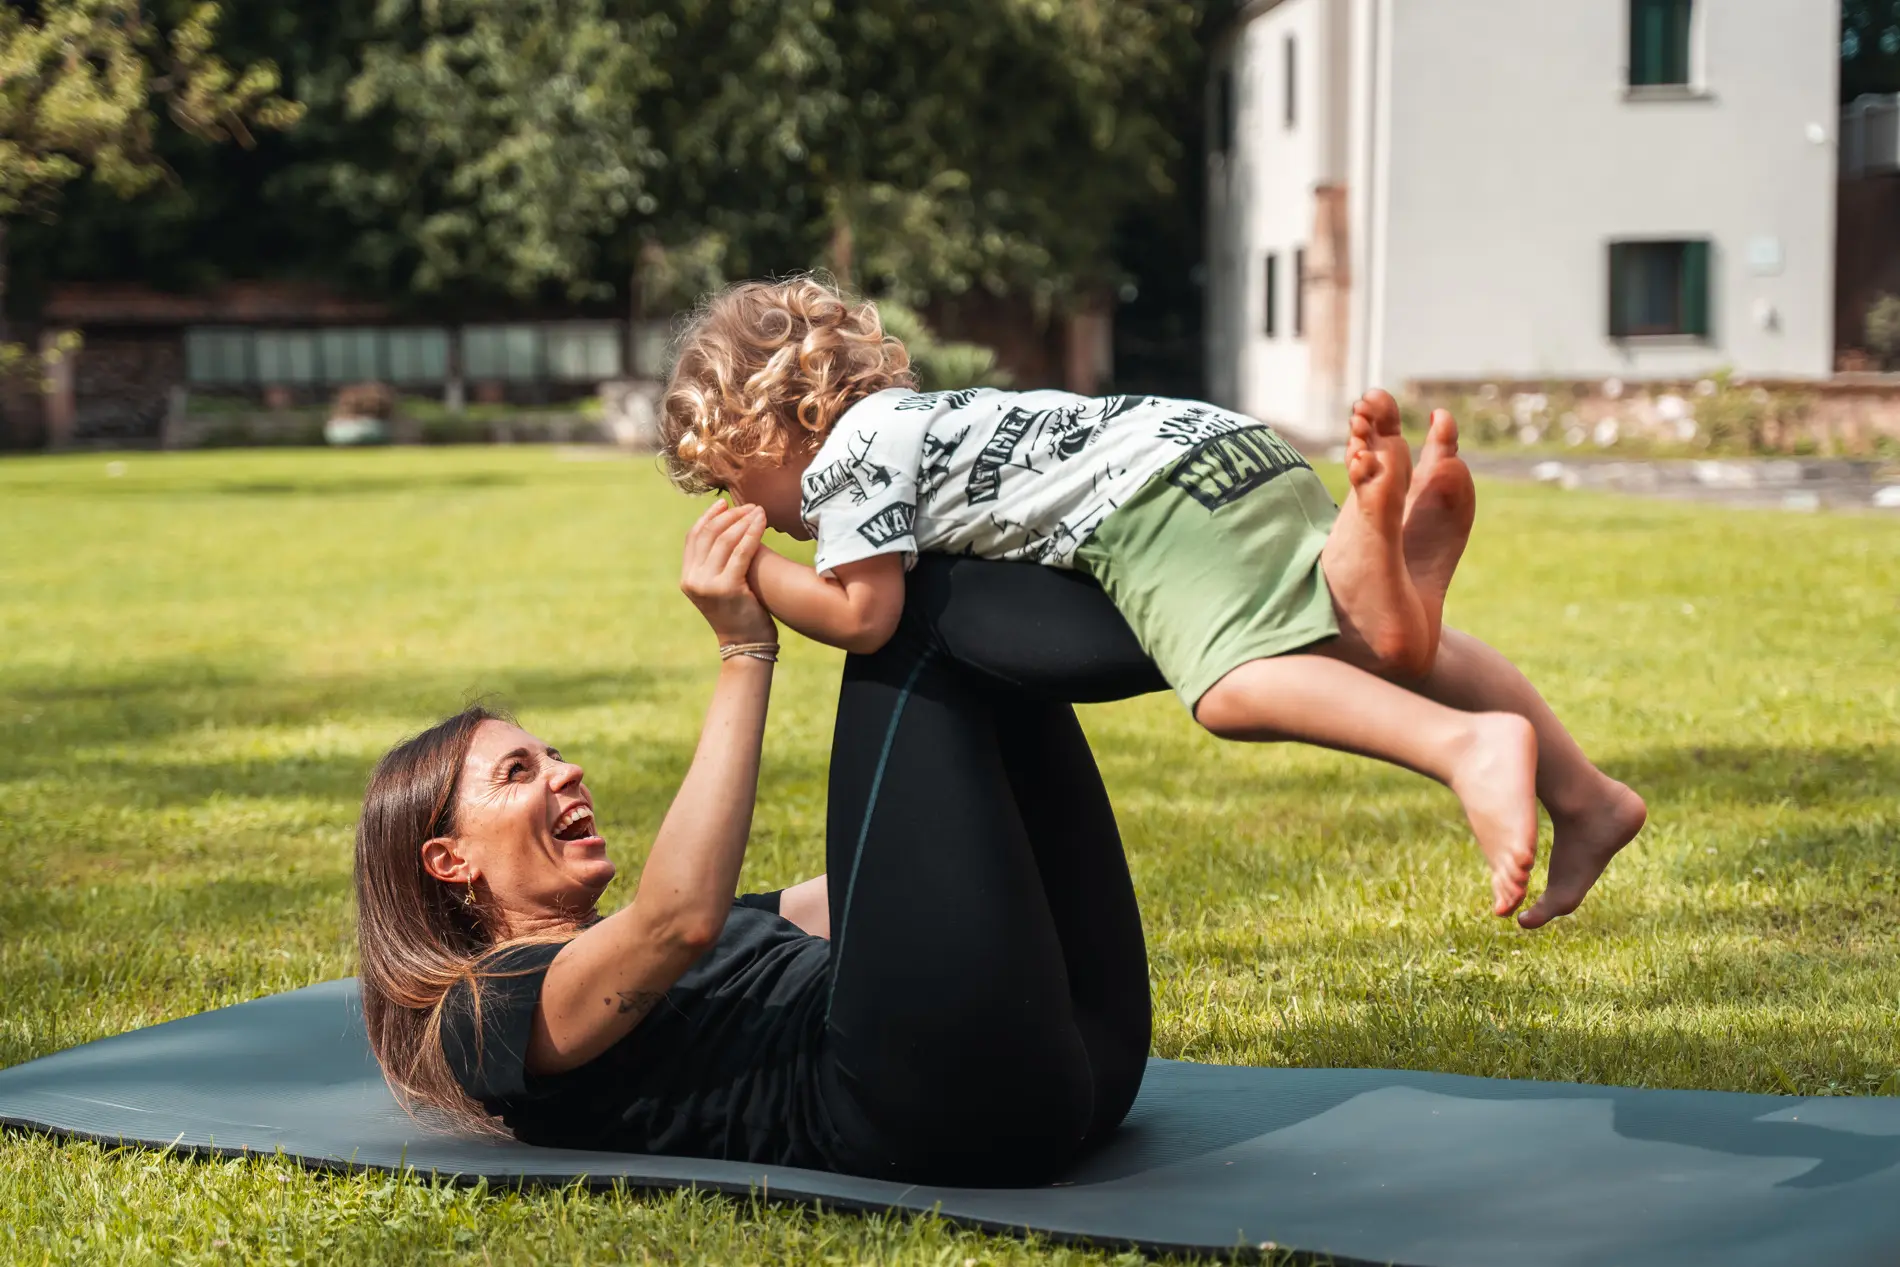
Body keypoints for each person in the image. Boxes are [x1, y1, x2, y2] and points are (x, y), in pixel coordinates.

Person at [657, 277, 1646, 924]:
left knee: (1234, 689)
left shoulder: (848, 462)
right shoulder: (915, 417)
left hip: (1145, 504)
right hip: (1220, 445)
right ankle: (1581, 791)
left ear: (772, 433)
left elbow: (865, 614)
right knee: (1353, 645)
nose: (748, 509)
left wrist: (753, 579)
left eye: (733, 484)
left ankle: (1461, 745)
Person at [354, 505, 1172, 1183]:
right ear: (448, 860)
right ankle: (1256, 647)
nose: (566, 775)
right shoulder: (481, 1010)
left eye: (556, 754)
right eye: (519, 770)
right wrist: (745, 649)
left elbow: (872, 885)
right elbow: (679, 921)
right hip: (944, 1107)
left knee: (947, 575)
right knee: (906, 625)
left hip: (1085, 1051)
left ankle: (1244, 624)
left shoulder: (684, 937)